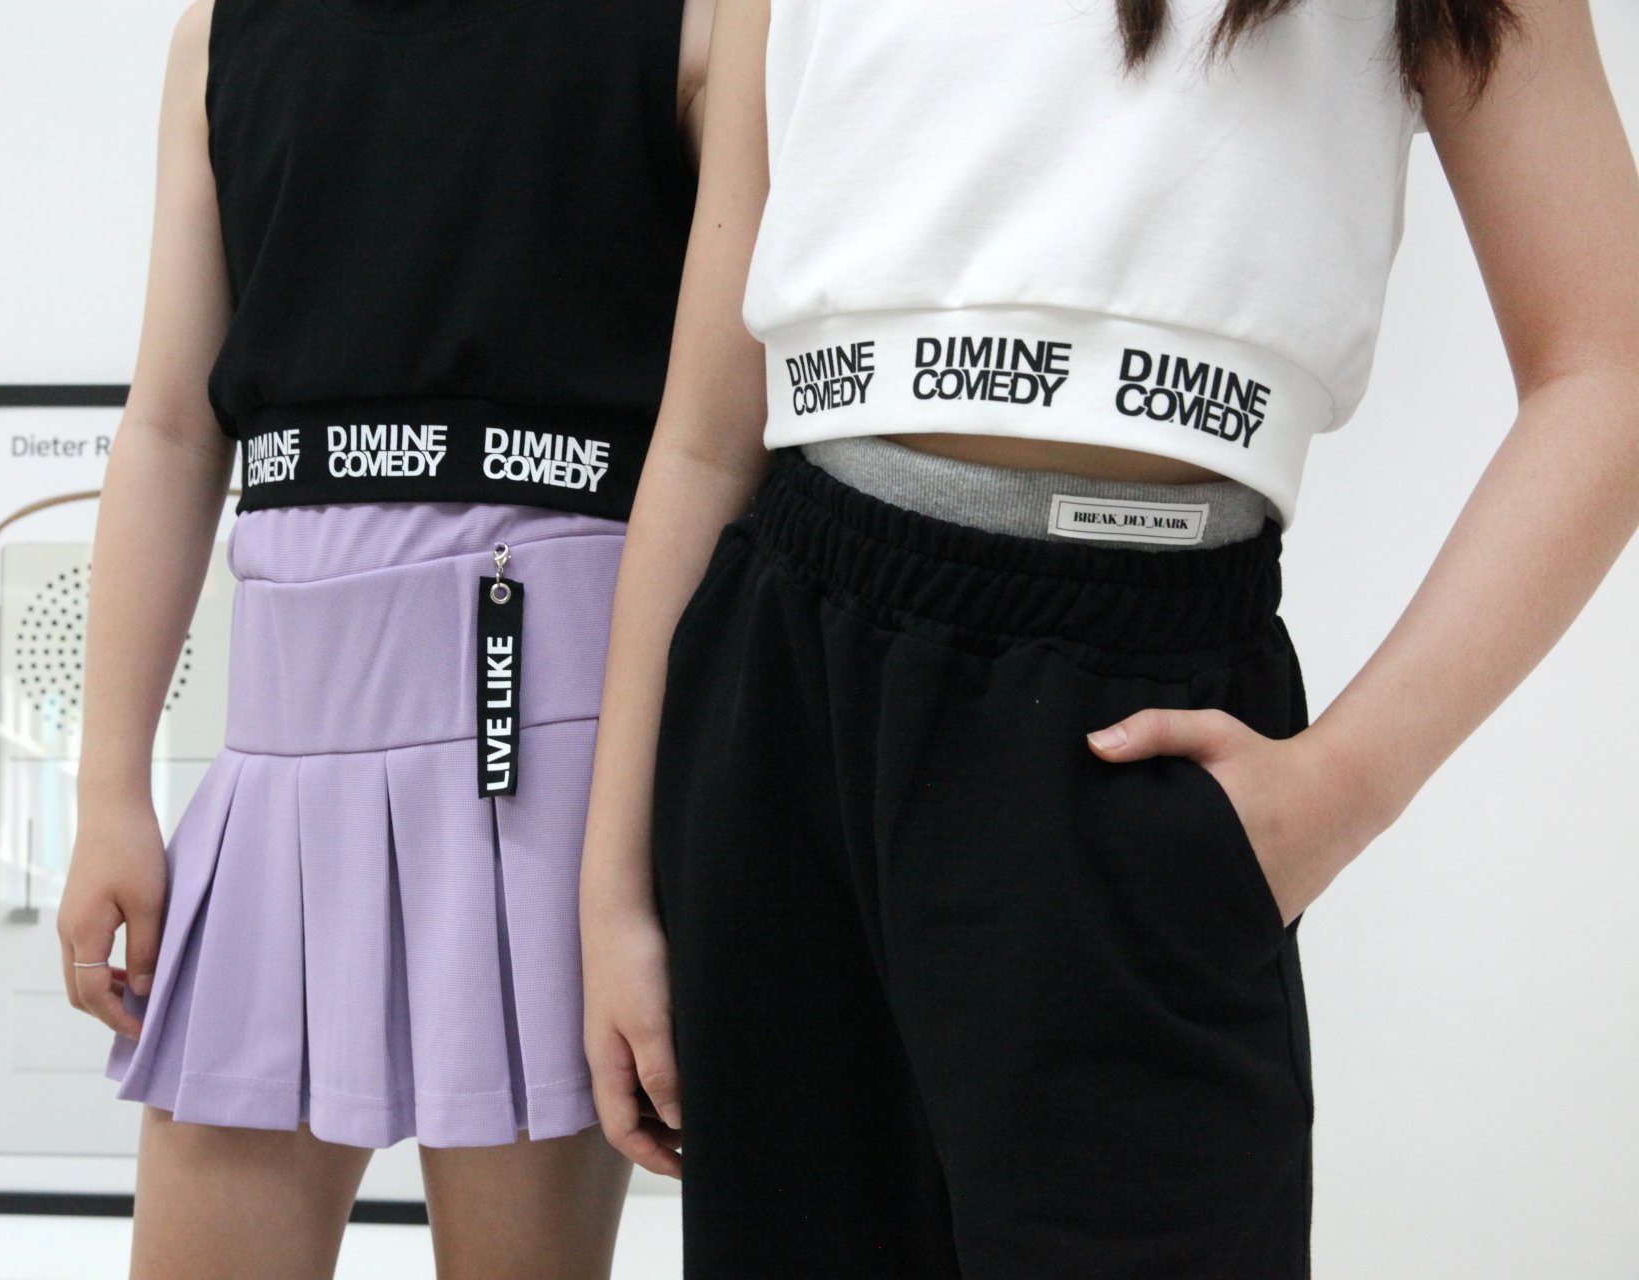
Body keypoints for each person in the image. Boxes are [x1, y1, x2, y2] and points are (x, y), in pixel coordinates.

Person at [579, 0, 1639, 1274]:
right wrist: (613, 883)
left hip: (1127, 722)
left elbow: (1610, 367)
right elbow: (706, 434)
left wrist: (1342, 789)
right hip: (780, 699)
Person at [54, 1, 711, 1276]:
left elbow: (721, 436)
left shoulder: (695, 27)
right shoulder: (225, 34)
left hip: (547, 764)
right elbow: (173, 426)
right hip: (280, 750)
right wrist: (108, 786)